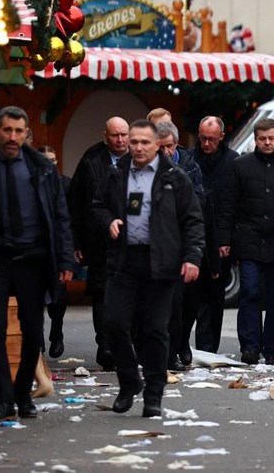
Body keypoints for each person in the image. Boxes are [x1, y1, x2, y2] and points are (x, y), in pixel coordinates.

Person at [0, 106, 74, 423]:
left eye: (19, 131)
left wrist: (64, 258)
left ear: (26, 133)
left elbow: (60, 216)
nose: (13, 137)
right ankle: (2, 401)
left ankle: (22, 392)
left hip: (33, 259)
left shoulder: (41, 168)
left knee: (33, 331)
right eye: (7, 130)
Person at [94, 119, 205, 417]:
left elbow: (193, 220)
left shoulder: (175, 177)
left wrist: (192, 257)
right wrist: (108, 221)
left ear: (157, 144)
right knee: (115, 324)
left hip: (161, 264)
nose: (139, 147)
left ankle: (154, 393)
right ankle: (130, 381)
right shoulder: (117, 174)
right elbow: (98, 205)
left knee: (156, 330)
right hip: (125, 261)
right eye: (134, 142)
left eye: (145, 142)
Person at [216, 118, 274, 365]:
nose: (267, 143)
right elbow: (228, 205)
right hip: (249, 241)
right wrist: (224, 239)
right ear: (255, 140)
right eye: (262, 139)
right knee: (250, 292)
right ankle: (250, 347)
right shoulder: (240, 166)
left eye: (271, 138)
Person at [68, 116, 130, 370]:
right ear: (105, 136)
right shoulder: (91, 161)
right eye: (115, 135)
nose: (120, 140)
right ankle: (104, 345)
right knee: (102, 294)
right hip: (98, 240)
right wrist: (75, 241)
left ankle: (125, 345)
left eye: (124, 134)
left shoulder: (139, 159)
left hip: (131, 242)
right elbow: (77, 202)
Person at [156, 120, 207, 371]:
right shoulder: (140, 170)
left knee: (178, 305)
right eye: (160, 146)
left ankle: (172, 351)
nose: (165, 152)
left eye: (169, 146)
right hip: (151, 248)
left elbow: (196, 209)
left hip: (177, 247)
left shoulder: (187, 169)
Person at [191, 115, 239, 353]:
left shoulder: (233, 161)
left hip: (220, 239)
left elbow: (232, 203)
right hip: (195, 237)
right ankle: (191, 347)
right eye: (202, 139)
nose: (206, 144)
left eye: (211, 139)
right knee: (193, 297)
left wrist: (225, 239)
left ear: (221, 137)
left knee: (216, 296)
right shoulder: (191, 159)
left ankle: (209, 347)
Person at [35, 145, 71, 359]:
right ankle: (37, 338)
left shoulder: (65, 184)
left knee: (58, 298)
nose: (49, 163)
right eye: (45, 159)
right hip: (36, 248)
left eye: (53, 159)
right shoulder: (30, 184)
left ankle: (56, 333)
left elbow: (71, 218)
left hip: (58, 249)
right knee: (35, 297)